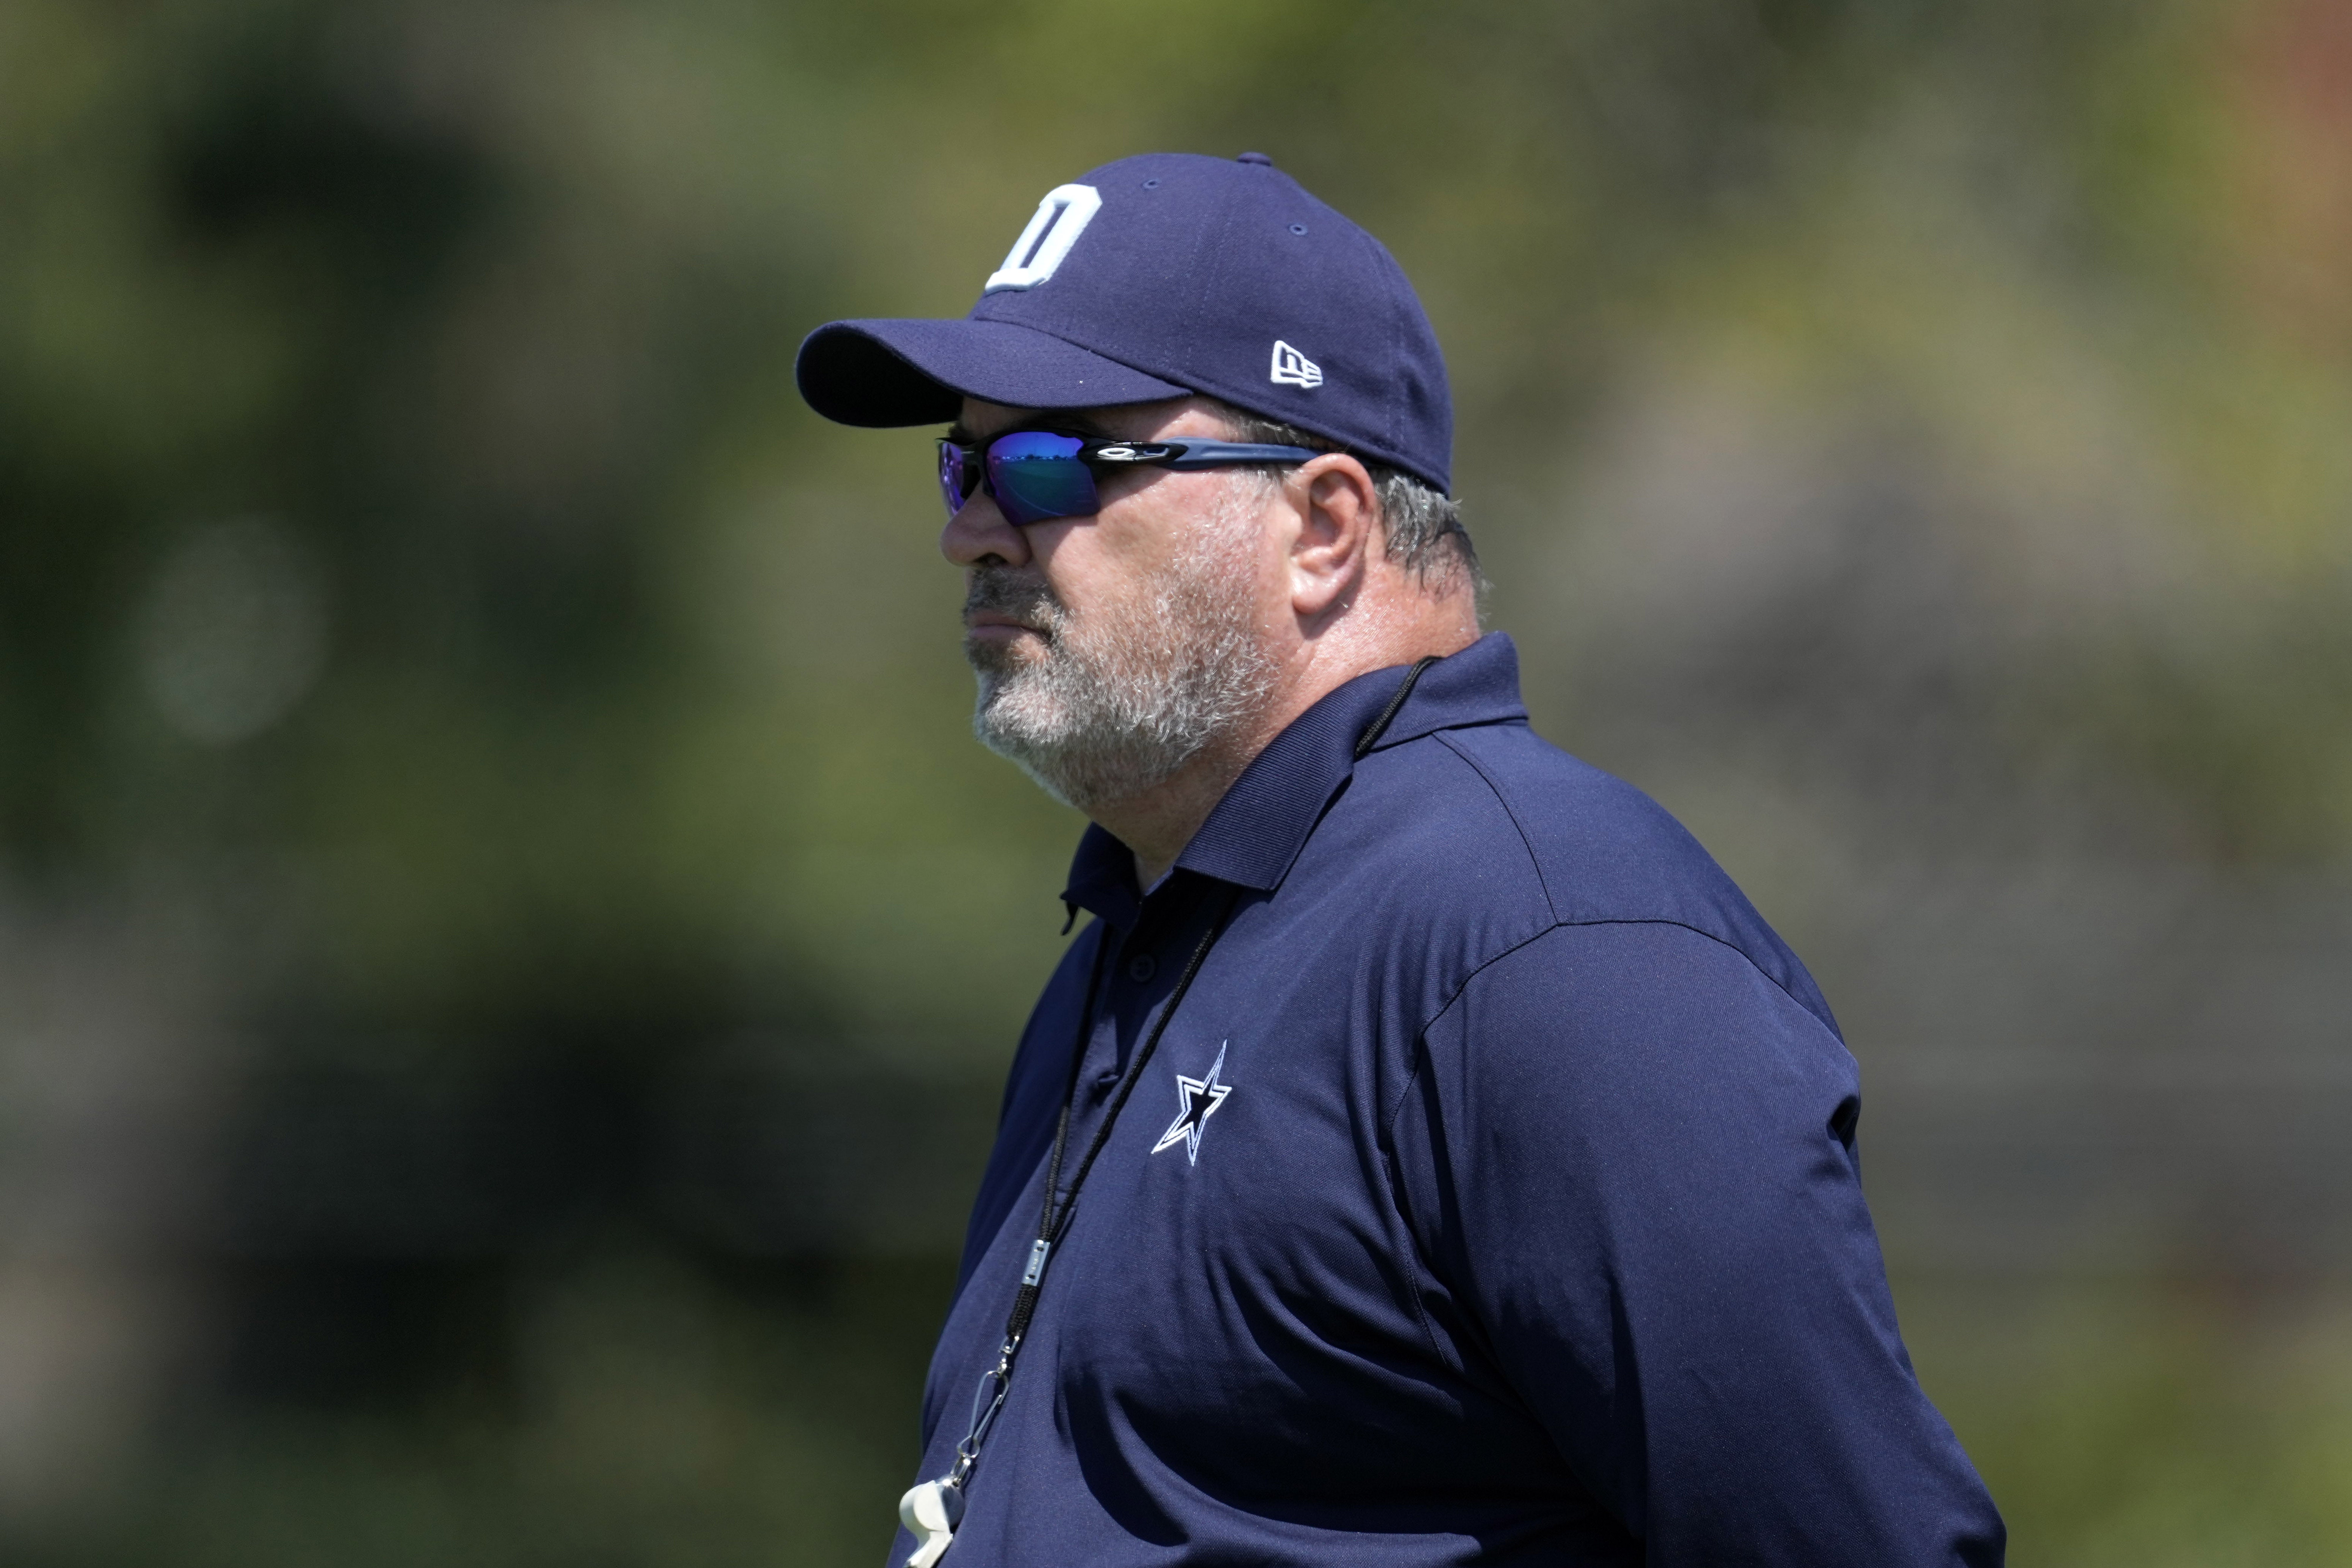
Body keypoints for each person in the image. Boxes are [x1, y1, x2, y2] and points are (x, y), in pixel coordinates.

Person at [795, 151, 2005, 1568]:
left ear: (1323, 527)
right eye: (965, 461)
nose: (968, 529)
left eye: (1054, 460)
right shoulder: (1139, 940)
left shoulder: (1550, 940)